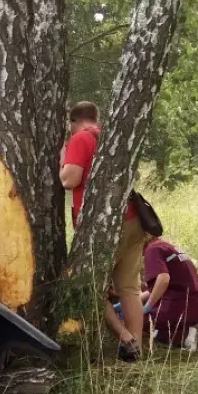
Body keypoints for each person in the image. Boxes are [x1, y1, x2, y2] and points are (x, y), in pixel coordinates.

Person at [60, 101, 148, 361]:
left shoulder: (80, 139)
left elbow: (69, 180)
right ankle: (137, 351)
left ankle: (125, 337)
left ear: (74, 121)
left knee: (87, 285)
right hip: (133, 219)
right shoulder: (112, 138)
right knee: (129, 288)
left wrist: (62, 160)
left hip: (106, 226)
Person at [140, 235, 198, 350]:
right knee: (141, 315)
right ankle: (185, 333)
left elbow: (163, 279)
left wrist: (147, 308)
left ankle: (184, 335)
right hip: (197, 302)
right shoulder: (165, 246)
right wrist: (138, 300)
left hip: (182, 304)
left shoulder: (151, 250)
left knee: (138, 319)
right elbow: (157, 287)